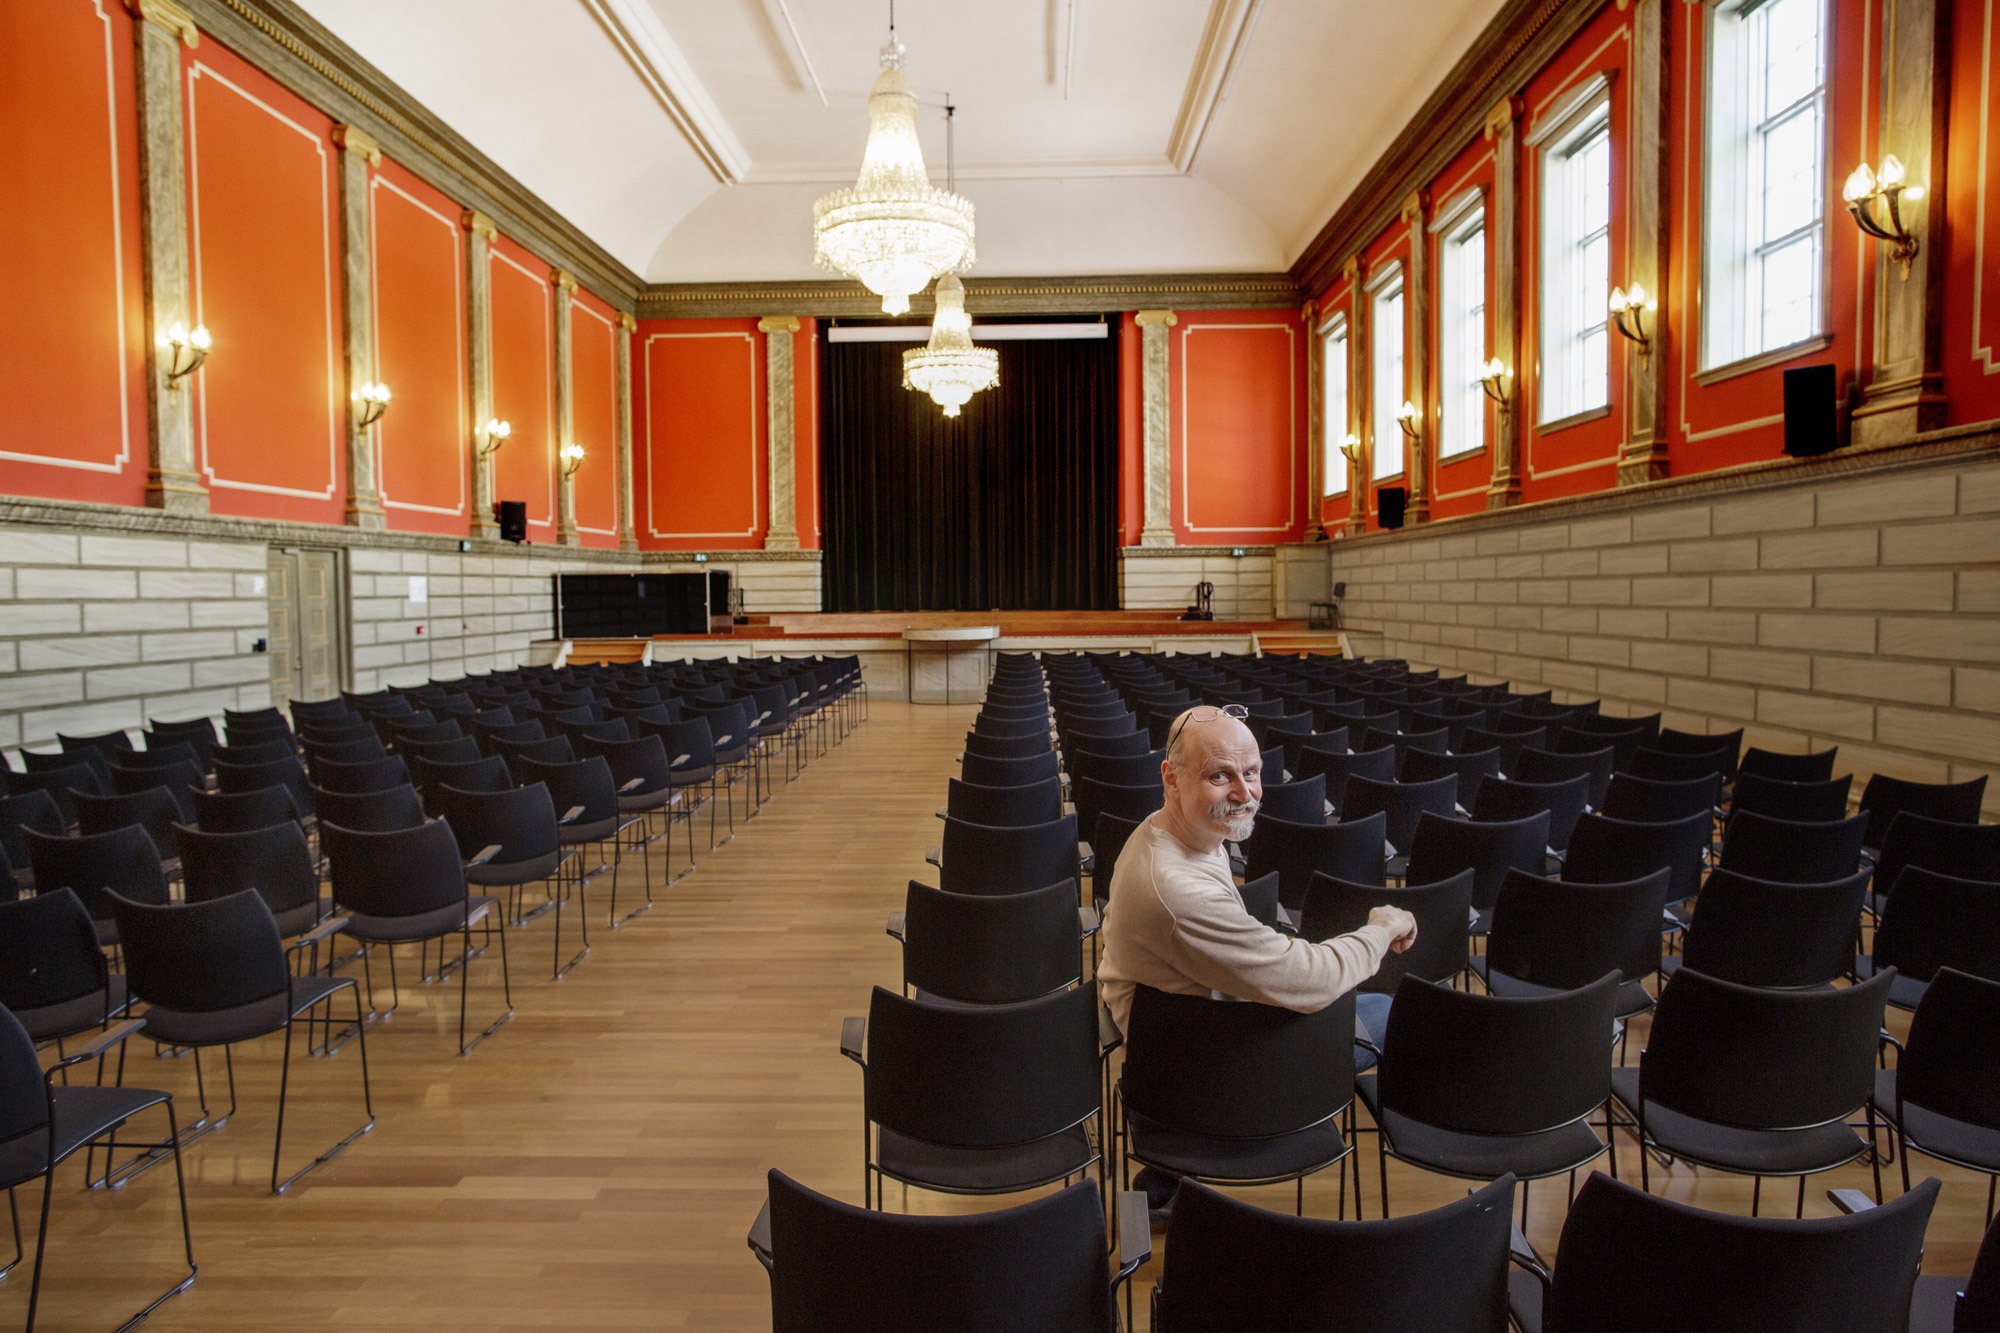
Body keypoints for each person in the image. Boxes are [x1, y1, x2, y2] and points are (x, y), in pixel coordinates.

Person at [1095, 703, 1419, 1220]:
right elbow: (1313, 982)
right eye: (1220, 776)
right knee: (1389, 1012)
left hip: (1178, 1039)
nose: (1246, 794)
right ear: (1171, 779)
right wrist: (1380, 929)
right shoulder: (1176, 889)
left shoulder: (1173, 833)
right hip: (1217, 1070)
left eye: (1252, 773)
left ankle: (1171, 1171)